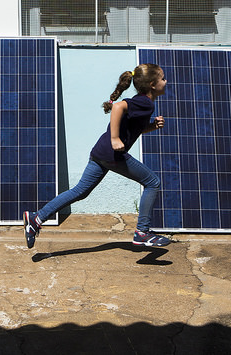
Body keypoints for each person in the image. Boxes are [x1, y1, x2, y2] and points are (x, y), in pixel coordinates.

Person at [23, 63, 170, 249]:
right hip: (112, 154)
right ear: (152, 84)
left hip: (101, 152)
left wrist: (152, 126)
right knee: (152, 182)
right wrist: (115, 138)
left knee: (80, 191)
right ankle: (142, 232)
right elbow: (117, 108)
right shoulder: (144, 102)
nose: (166, 81)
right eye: (163, 78)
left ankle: (36, 218)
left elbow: (135, 129)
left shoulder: (143, 103)